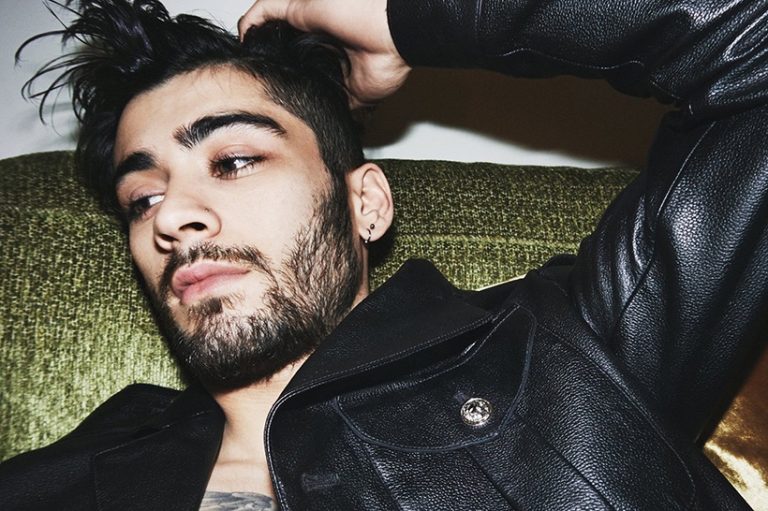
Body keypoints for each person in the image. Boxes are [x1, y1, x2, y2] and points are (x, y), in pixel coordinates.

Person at [1, 0, 766, 509]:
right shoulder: (57, 481)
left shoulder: (564, 352)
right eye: (142, 198)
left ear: (366, 203)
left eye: (232, 161)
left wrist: (408, 16)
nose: (173, 216)